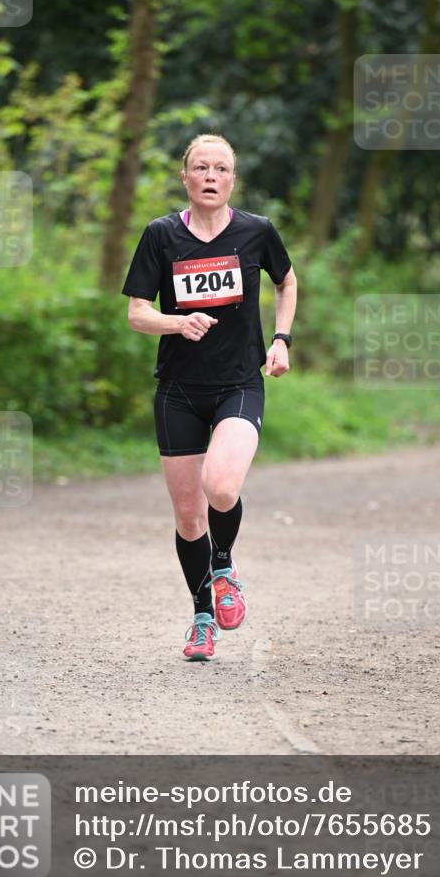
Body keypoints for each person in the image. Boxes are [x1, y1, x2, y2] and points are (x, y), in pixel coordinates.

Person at [122, 133, 297, 661]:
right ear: (186, 177)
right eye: (201, 167)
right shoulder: (160, 236)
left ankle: (224, 566)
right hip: (178, 392)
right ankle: (202, 620)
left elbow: (287, 283)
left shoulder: (256, 232)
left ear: (232, 179)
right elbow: (136, 314)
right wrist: (177, 322)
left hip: (239, 384)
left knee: (220, 488)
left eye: (221, 168)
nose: (211, 176)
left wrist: (282, 341)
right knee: (187, 516)